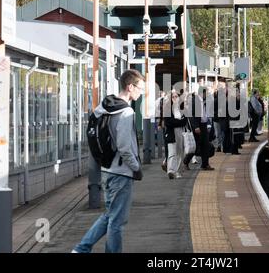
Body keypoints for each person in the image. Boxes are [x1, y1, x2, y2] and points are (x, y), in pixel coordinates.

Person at [72, 69, 145, 253]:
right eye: (140, 88)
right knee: (117, 222)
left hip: (106, 168)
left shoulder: (104, 105)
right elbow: (124, 147)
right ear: (130, 87)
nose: (141, 92)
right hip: (121, 172)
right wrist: (136, 168)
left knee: (109, 215)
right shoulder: (126, 112)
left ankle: (81, 249)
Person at [163, 90, 187, 179]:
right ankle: (171, 171)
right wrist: (179, 122)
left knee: (180, 152)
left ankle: (177, 171)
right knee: (172, 152)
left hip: (181, 132)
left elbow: (184, 121)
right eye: (173, 97)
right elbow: (168, 122)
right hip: (171, 133)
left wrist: (179, 122)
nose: (175, 98)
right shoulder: (167, 108)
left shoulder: (182, 107)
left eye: (176, 96)